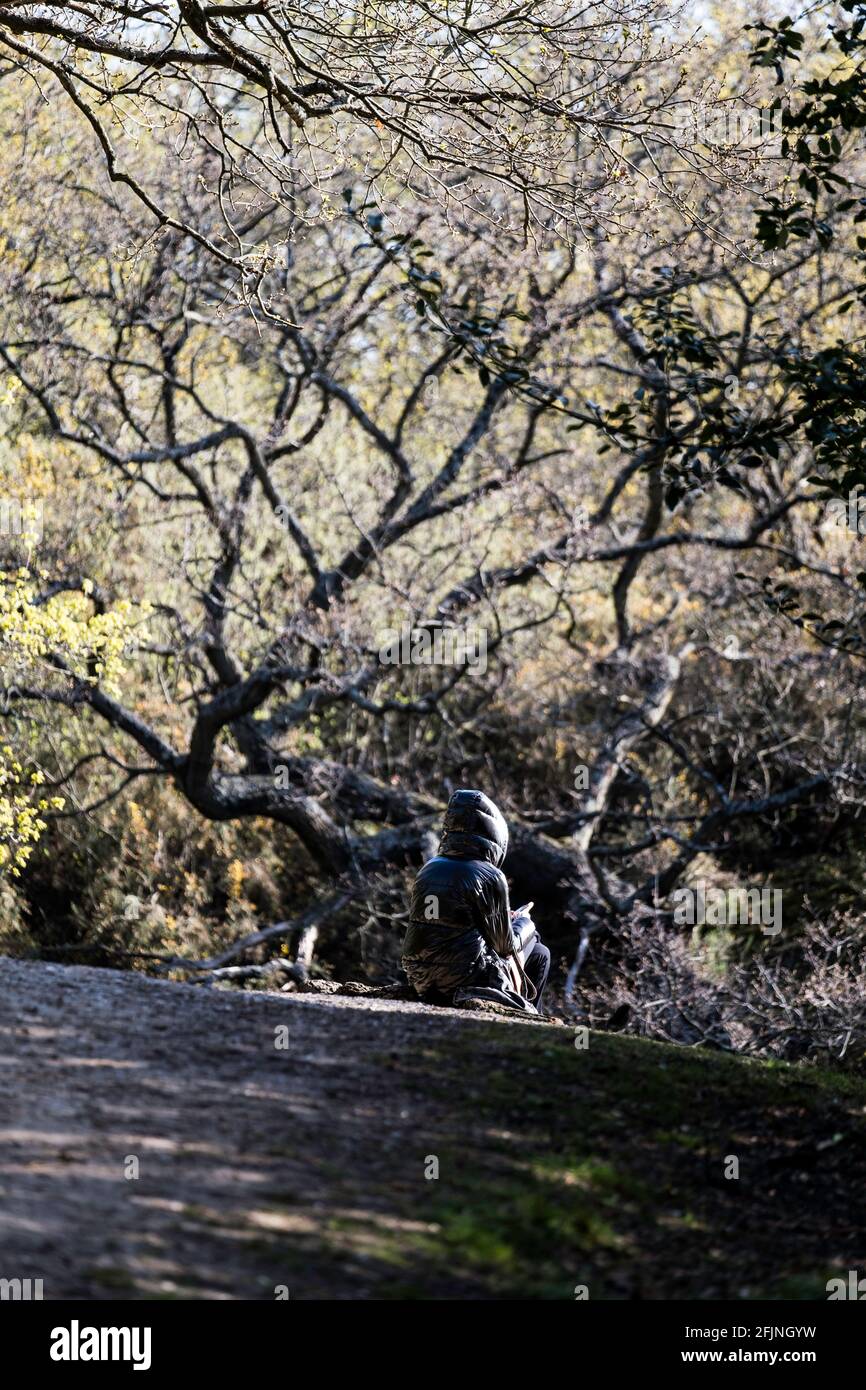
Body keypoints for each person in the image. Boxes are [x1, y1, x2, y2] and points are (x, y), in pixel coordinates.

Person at [402, 788, 551, 1013]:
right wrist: (524, 921)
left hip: (420, 977)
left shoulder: (428, 868)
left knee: (535, 949)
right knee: (540, 952)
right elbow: (505, 946)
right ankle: (532, 1018)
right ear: (494, 834)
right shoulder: (490, 875)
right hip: (464, 976)